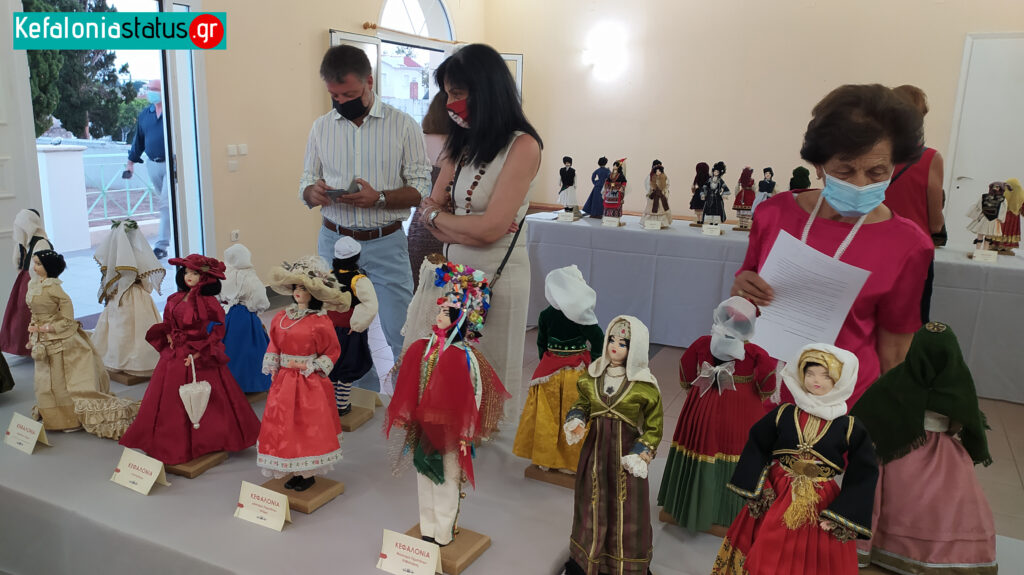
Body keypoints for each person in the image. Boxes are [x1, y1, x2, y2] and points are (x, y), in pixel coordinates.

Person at [732, 84, 933, 406]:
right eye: (845, 170)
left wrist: (893, 416)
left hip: (843, 403)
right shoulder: (775, 214)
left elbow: (895, 350)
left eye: (877, 172)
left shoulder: (908, 244)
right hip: (762, 386)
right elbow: (745, 287)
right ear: (819, 165)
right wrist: (742, 289)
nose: (860, 184)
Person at [417, 43, 543, 414]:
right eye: (447, 94)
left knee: (490, 375)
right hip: (455, 275)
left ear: (486, 90)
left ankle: (486, 438)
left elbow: (488, 230)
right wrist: (451, 223)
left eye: (457, 93)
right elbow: (431, 210)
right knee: (450, 364)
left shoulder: (522, 146)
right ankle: (454, 434)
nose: (450, 103)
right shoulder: (461, 144)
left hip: (497, 277)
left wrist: (443, 220)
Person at [299, 45, 432, 393]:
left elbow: (421, 186)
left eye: (350, 94)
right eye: (335, 96)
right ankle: (353, 393)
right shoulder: (321, 127)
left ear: (369, 82)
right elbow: (306, 180)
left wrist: (381, 198)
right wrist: (312, 192)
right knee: (336, 327)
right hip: (333, 239)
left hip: (385, 240)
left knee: (399, 327)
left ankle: (408, 401)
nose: (341, 102)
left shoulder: (403, 126)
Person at [712, 344, 878, 575]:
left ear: (840, 381)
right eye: (810, 373)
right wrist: (761, 486)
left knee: (812, 555)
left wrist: (842, 513)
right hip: (778, 488)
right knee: (766, 540)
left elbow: (865, 471)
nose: (816, 380)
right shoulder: (784, 413)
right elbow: (757, 444)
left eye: (826, 375)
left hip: (820, 499)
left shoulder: (849, 426)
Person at [851, 322, 997, 574]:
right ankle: (937, 553)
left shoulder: (899, 378)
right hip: (944, 453)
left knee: (891, 493)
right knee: (950, 498)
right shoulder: (957, 382)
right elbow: (963, 421)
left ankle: (886, 546)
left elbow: (872, 409)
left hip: (899, 448)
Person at [562, 315, 663, 575]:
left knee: (627, 510)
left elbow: (654, 427)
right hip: (595, 452)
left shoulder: (644, 386)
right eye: (612, 340)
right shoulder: (592, 376)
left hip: (625, 458)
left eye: (623, 343)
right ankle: (586, 559)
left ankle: (625, 565)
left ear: (635, 348)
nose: (615, 347)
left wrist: (641, 453)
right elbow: (582, 403)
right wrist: (577, 418)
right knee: (591, 503)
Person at [883, 84, 945, 322]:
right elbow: (936, 223)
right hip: (914, 255)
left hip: (875, 249)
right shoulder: (930, 158)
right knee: (912, 325)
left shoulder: (871, 154)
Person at [126, 79, 171, 260]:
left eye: (155, 89)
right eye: (149, 89)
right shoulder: (145, 114)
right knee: (169, 206)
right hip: (153, 164)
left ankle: (161, 245)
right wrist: (130, 162)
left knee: (166, 204)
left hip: (171, 165)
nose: (151, 92)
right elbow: (139, 140)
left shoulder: (172, 112)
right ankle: (180, 231)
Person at [408, 93, 448, 290]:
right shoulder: (460, 146)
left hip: (419, 226)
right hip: (450, 226)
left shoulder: (418, 141)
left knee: (419, 291)